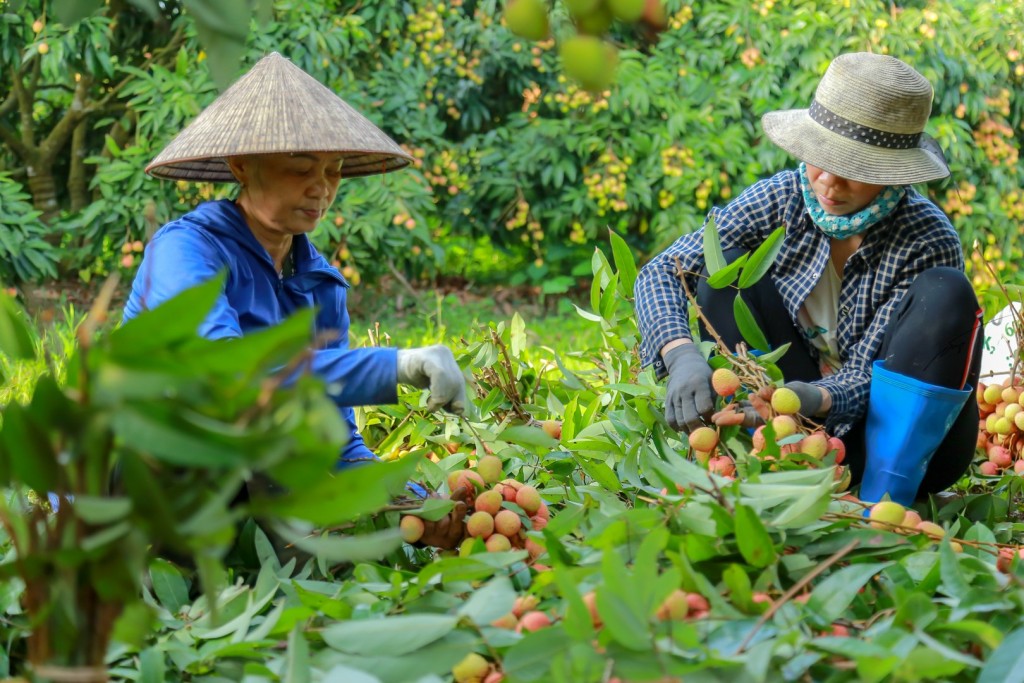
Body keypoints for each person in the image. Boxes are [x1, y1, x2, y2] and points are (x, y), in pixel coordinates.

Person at [123, 52, 468, 548]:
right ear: (242, 166)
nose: (321, 188)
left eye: (333, 171)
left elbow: (335, 439)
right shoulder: (184, 252)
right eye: (301, 168)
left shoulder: (319, 283)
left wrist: (411, 499)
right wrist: (399, 365)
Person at [634, 52, 983, 506]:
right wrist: (679, 354)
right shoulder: (782, 198)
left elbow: (863, 377)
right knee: (725, 270)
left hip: (886, 437)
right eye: (822, 158)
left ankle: (885, 503)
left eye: (855, 170)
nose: (829, 182)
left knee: (947, 292)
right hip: (790, 422)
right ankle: (766, 456)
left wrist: (811, 398)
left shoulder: (924, 238)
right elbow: (663, 269)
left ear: (892, 171)